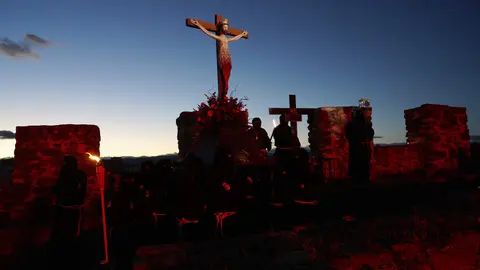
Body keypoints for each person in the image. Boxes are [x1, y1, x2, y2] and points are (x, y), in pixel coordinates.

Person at [189, 18, 248, 100]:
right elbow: (208, 33)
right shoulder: (219, 38)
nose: (226, 29)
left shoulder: (226, 39)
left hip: (228, 58)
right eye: (225, 27)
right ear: (221, 28)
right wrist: (198, 24)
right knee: (224, 74)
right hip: (223, 58)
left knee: (228, 73)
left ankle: (225, 88)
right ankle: (225, 89)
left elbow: (234, 38)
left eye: (227, 28)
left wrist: (242, 34)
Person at [49, 155, 87, 269]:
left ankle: (66, 259)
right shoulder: (79, 174)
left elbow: (59, 189)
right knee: (72, 234)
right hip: (71, 208)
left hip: (67, 209)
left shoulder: (66, 174)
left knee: (67, 234)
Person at [346, 109, 375, 183]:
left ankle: (358, 179)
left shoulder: (351, 125)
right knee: (363, 165)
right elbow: (370, 135)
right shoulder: (365, 126)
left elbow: (348, 135)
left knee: (357, 165)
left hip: (356, 148)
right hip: (362, 149)